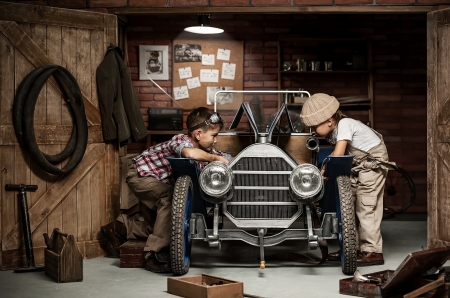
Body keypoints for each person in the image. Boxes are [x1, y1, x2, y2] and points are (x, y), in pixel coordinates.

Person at [101, 107, 232, 273]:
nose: (215, 140)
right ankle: (154, 254)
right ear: (198, 134)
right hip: (141, 175)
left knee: (160, 225)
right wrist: (216, 158)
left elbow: (223, 156)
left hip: (157, 182)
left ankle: (119, 227)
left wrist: (227, 160)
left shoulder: (206, 152)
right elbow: (190, 154)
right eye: (214, 136)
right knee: (170, 198)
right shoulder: (180, 141)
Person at [300, 93, 393, 267]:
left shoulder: (345, 124)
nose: (312, 131)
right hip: (357, 166)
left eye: (313, 127)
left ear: (329, 120)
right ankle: (353, 248)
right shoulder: (334, 131)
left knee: (366, 207)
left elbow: (338, 155)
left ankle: (372, 251)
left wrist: (323, 171)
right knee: (348, 206)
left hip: (372, 165)